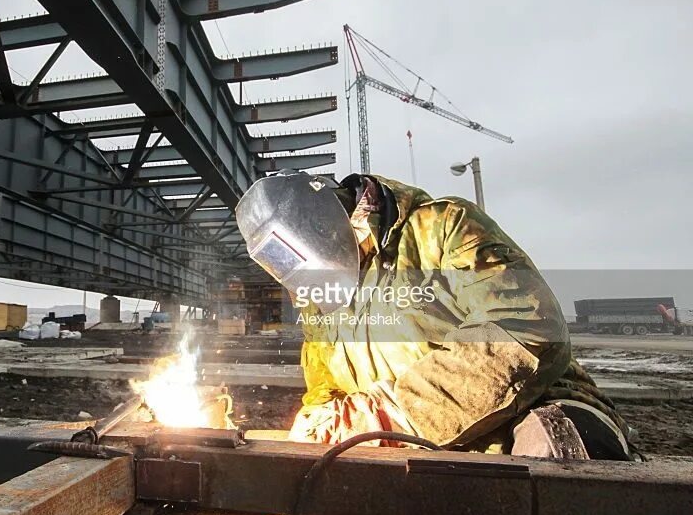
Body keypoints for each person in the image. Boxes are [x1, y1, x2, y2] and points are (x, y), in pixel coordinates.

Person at [235, 170, 634, 460]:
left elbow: (525, 331)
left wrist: (385, 415)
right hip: (406, 448)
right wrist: (316, 425)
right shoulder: (318, 296)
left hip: (522, 415)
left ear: (323, 222)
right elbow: (325, 394)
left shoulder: (442, 228)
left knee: (556, 447)